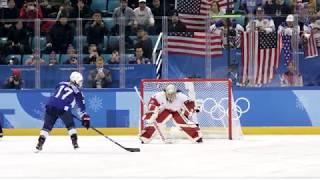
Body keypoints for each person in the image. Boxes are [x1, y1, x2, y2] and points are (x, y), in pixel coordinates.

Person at [35, 71, 91, 151]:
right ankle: (75, 143)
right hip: (63, 108)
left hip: (50, 105)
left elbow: (59, 95)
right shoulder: (78, 92)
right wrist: (84, 117)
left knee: (46, 126)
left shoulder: (61, 83)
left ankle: (40, 143)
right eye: (80, 81)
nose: (81, 83)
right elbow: (81, 106)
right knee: (70, 125)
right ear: (76, 80)